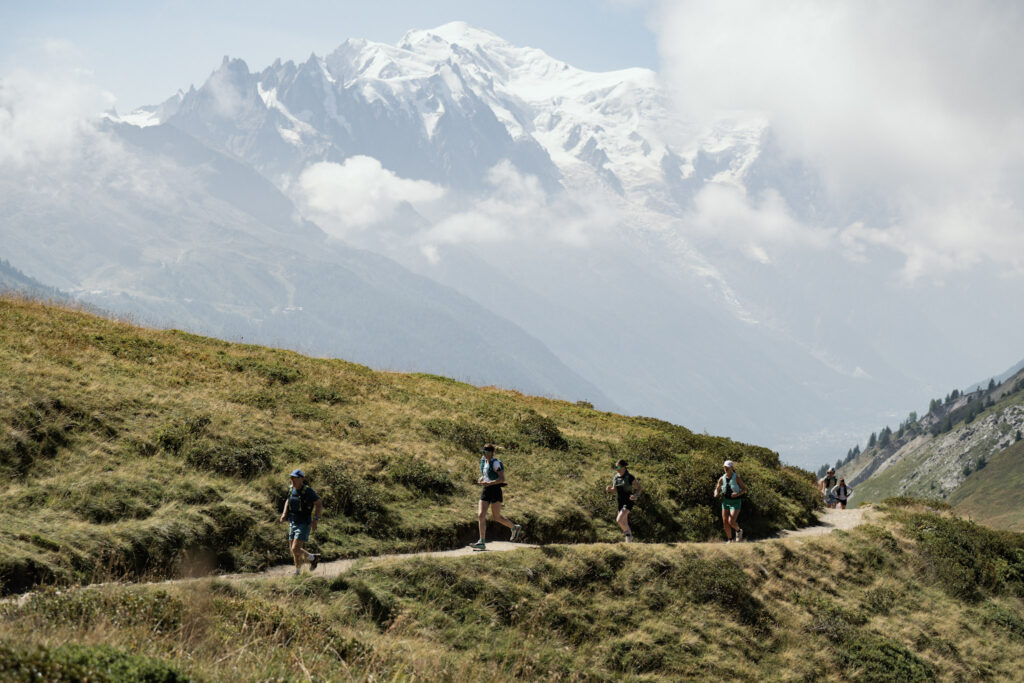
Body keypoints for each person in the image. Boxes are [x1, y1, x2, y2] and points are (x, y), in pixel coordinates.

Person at [471, 444, 521, 550]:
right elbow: (486, 474)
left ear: (491, 453)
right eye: (483, 452)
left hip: (495, 490)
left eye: (486, 452)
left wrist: (490, 483)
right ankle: (482, 541)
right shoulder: (484, 461)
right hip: (486, 490)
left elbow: (502, 479)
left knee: (496, 517)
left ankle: (514, 528)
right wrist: (481, 479)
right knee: (481, 515)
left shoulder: (495, 463)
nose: (484, 454)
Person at [279, 469, 322, 575]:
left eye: (295, 478)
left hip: (304, 523)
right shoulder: (291, 489)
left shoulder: (308, 491)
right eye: (291, 478)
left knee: (295, 548)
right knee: (293, 550)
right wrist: (284, 513)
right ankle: (299, 571)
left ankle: (311, 559)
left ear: (301, 479)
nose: (293, 480)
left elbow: (319, 504)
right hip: (293, 521)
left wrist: (315, 520)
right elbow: (288, 500)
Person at [606, 459, 642, 542]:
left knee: (619, 520)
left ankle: (628, 535)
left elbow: (639, 487)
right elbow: (615, 490)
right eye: (615, 467)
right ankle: (630, 540)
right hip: (620, 501)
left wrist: (635, 495)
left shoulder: (629, 477)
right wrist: (609, 489)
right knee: (624, 522)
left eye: (618, 467)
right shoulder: (616, 477)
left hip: (628, 500)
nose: (616, 469)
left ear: (624, 467)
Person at [714, 460, 747, 542]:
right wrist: (716, 493)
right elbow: (717, 488)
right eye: (724, 467)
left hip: (735, 502)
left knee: (731, 521)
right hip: (725, 501)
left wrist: (738, 494)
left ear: (732, 468)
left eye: (727, 467)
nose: (726, 469)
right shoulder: (722, 478)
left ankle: (738, 531)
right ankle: (730, 540)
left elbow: (744, 489)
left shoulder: (737, 477)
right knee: (725, 522)